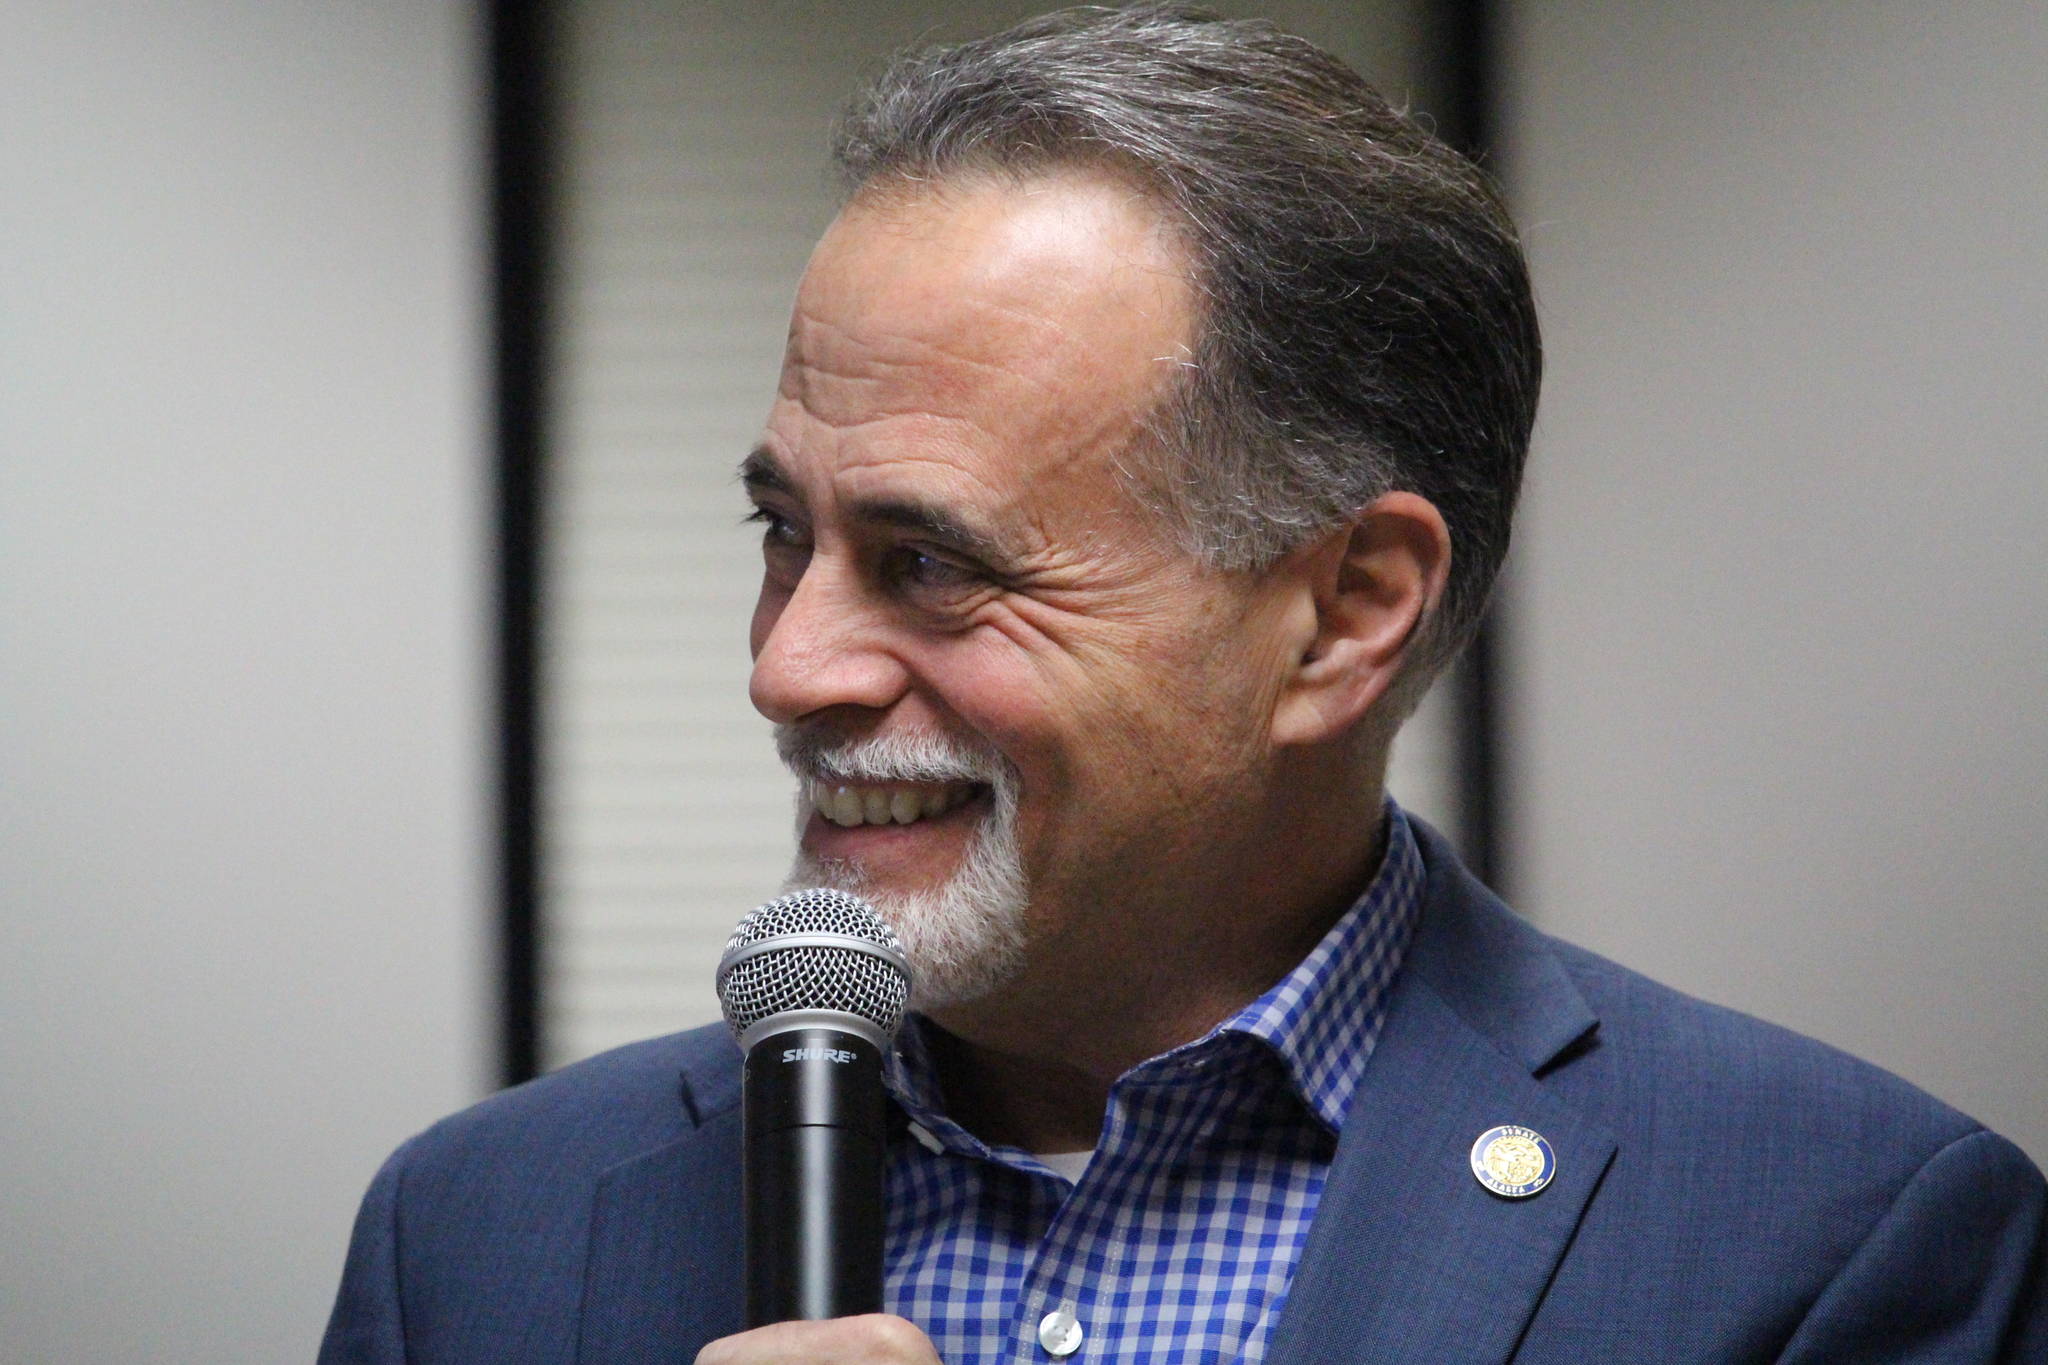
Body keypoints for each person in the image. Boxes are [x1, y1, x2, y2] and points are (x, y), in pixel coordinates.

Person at [320, 6, 2046, 1362]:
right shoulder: (481, 1234)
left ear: (1345, 611)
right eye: (787, 535)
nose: (790, 667)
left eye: (933, 561)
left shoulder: (1832, 1245)